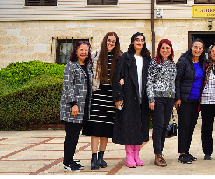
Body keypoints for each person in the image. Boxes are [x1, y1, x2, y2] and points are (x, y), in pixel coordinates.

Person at [82, 32, 122, 170]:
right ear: (105, 40)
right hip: (98, 94)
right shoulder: (96, 54)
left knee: (106, 128)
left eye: (113, 41)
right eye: (109, 40)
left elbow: (122, 74)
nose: (111, 43)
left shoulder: (119, 57)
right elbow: (88, 73)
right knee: (96, 128)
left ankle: (101, 157)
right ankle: (93, 158)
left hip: (111, 97)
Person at [113, 32, 152, 168]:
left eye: (142, 40)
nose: (140, 42)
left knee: (140, 127)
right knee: (129, 127)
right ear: (132, 42)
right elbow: (118, 76)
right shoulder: (126, 57)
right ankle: (129, 155)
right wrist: (118, 96)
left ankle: (136, 154)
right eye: (137, 40)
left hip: (143, 98)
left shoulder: (147, 58)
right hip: (129, 97)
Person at [59, 41, 93, 172]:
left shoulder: (87, 66)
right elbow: (68, 86)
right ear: (76, 51)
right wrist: (73, 104)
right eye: (81, 50)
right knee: (71, 135)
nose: (84, 52)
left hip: (83, 107)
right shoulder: (71, 66)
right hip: (72, 108)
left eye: (86, 50)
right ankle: (67, 162)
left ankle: (70, 159)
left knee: (75, 135)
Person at [175, 39, 206, 164]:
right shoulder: (183, 61)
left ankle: (186, 151)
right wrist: (177, 98)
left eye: (200, 48)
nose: (197, 50)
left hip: (196, 100)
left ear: (203, 50)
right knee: (184, 126)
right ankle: (182, 153)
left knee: (192, 126)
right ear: (191, 47)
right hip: (185, 99)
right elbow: (177, 80)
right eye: (195, 47)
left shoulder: (203, 62)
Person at [147, 39, 177, 167]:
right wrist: (151, 99)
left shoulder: (172, 63)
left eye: (168, 48)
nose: (165, 50)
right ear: (159, 50)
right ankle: (157, 154)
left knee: (165, 126)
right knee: (158, 126)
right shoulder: (154, 62)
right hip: (158, 98)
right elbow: (149, 81)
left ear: (171, 50)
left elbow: (173, 82)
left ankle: (161, 152)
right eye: (163, 48)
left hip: (169, 98)